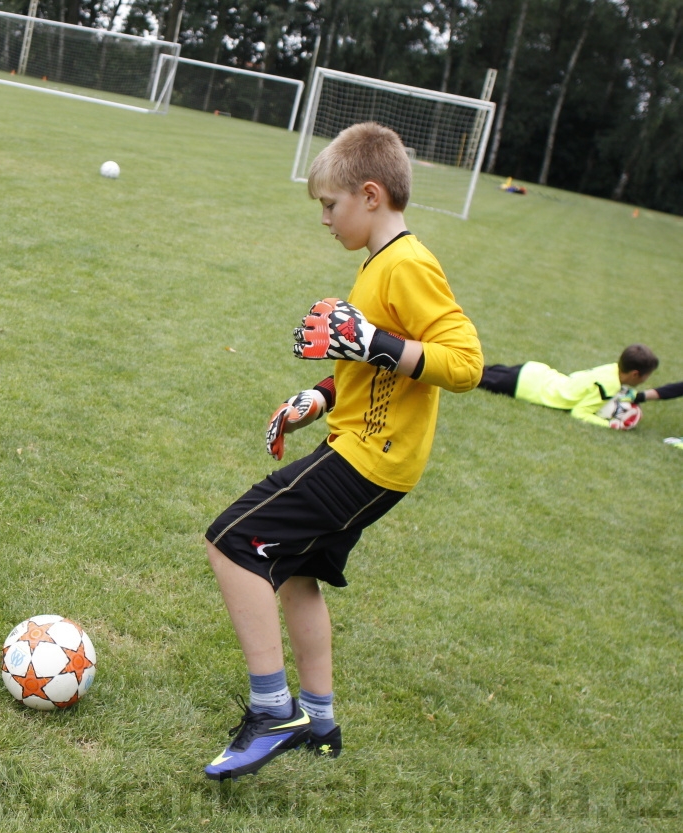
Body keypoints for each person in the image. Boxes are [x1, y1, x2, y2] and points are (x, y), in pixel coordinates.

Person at [201, 122, 483, 781]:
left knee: (232, 541)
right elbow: (375, 364)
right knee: (297, 575)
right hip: (370, 452)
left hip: (368, 457)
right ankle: (319, 721)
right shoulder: (381, 265)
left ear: (371, 194)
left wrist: (374, 342)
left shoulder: (408, 263)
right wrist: (321, 396)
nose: (325, 219)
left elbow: (465, 363)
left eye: (330, 205)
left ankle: (273, 711)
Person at [478, 345, 659, 429]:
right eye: (646, 376)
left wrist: (631, 396)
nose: (645, 380)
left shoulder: (612, 369)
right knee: (473, 378)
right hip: (526, 386)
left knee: (481, 369)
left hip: (535, 371)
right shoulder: (609, 387)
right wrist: (611, 424)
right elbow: (580, 413)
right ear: (635, 374)